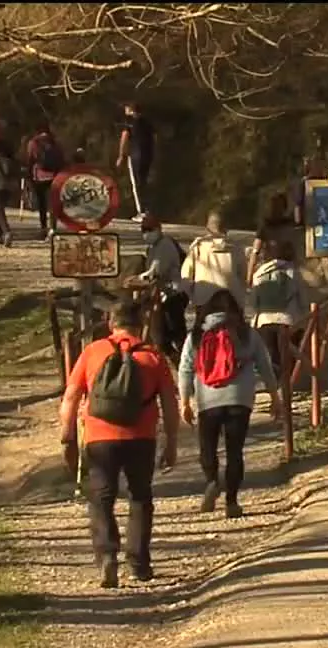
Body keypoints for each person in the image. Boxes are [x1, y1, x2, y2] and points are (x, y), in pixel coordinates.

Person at [59, 298, 179, 588]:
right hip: (142, 437)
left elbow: (71, 397)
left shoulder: (92, 352)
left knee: (101, 497)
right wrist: (172, 441)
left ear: (111, 324)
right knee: (140, 496)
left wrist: (67, 436)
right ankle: (138, 563)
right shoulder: (153, 356)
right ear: (139, 326)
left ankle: (107, 556)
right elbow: (169, 404)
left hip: (100, 437)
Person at [178, 290, 283, 518]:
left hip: (207, 400)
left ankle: (212, 481)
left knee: (208, 448)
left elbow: (185, 369)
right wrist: (275, 397)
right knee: (235, 451)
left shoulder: (195, 335)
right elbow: (265, 366)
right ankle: (232, 502)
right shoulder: (247, 334)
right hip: (240, 399)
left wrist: (184, 401)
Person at [251, 233, 305, 379]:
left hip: (265, 321)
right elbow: (302, 298)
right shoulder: (294, 271)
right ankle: (287, 390)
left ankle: (275, 390)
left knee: (271, 360)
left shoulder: (258, 274)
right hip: (289, 320)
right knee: (289, 359)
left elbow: (254, 302)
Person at [136, 215, 190, 360]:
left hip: (174, 293)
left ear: (158, 229)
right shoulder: (153, 247)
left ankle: (186, 362)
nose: (146, 233)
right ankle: (176, 360)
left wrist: (140, 277)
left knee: (175, 332)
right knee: (162, 335)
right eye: (143, 230)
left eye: (149, 229)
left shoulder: (165, 244)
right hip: (163, 295)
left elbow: (156, 271)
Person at [183, 211, 247, 309]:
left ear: (207, 228)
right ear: (226, 228)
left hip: (204, 300)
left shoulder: (198, 248)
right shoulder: (237, 248)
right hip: (232, 301)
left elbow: (186, 276)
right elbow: (243, 276)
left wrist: (193, 298)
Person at [25, 123, 67, 239]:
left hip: (39, 177)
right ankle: (53, 228)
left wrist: (28, 175)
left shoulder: (33, 143)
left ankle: (43, 228)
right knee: (53, 204)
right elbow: (62, 160)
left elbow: (30, 160)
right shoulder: (55, 143)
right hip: (54, 177)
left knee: (42, 204)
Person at [116, 101, 155, 221]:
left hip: (135, 155)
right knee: (144, 182)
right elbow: (154, 138)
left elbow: (124, 138)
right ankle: (147, 210)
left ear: (130, 109)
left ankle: (142, 212)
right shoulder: (147, 122)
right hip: (148, 154)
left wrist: (121, 156)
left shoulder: (129, 122)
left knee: (136, 183)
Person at [248, 193, 297, 288]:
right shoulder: (265, 226)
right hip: (268, 267)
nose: (275, 209)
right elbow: (255, 251)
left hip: (287, 267)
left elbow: (293, 250)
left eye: (278, 206)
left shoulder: (289, 226)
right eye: (273, 206)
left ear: (284, 208)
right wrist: (250, 274)